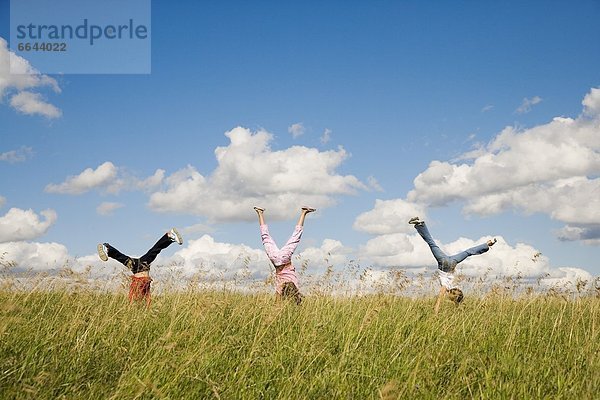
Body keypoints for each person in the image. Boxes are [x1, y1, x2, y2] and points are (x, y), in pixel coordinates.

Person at [408, 217, 496, 313]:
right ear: (452, 296)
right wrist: (435, 313)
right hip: (444, 263)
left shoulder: (456, 285)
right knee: (431, 243)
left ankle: (487, 244)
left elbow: (457, 295)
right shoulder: (446, 287)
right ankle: (420, 225)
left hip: (453, 262)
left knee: (468, 252)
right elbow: (440, 300)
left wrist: (457, 303)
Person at [97, 228, 183, 306]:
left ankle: (108, 249)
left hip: (140, 278)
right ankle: (108, 249)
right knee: (152, 252)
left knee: (151, 252)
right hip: (140, 277)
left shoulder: (136, 296)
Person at [254, 206, 316, 304]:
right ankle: (260, 213)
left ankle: (303, 213)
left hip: (284, 258)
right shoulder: (280, 285)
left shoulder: (294, 282)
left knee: (295, 237)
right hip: (275, 259)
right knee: (265, 237)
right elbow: (277, 303)